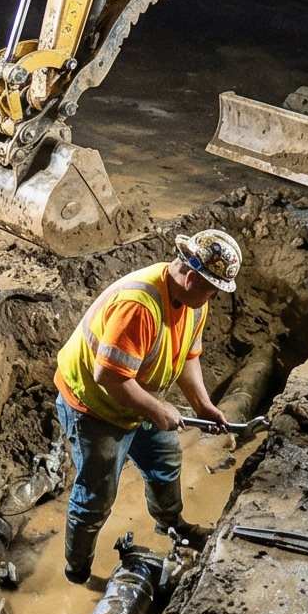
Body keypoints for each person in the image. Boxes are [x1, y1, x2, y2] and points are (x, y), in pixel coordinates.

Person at [55, 229, 239, 584]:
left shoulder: (193, 301)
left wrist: (202, 405)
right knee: (97, 494)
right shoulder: (139, 306)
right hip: (93, 405)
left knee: (166, 459)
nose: (215, 294)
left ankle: (171, 526)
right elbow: (108, 376)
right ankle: (77, 571)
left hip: (135, 398)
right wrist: (156, 410)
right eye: (211, 286)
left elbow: (188, 355)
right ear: (189, 273)